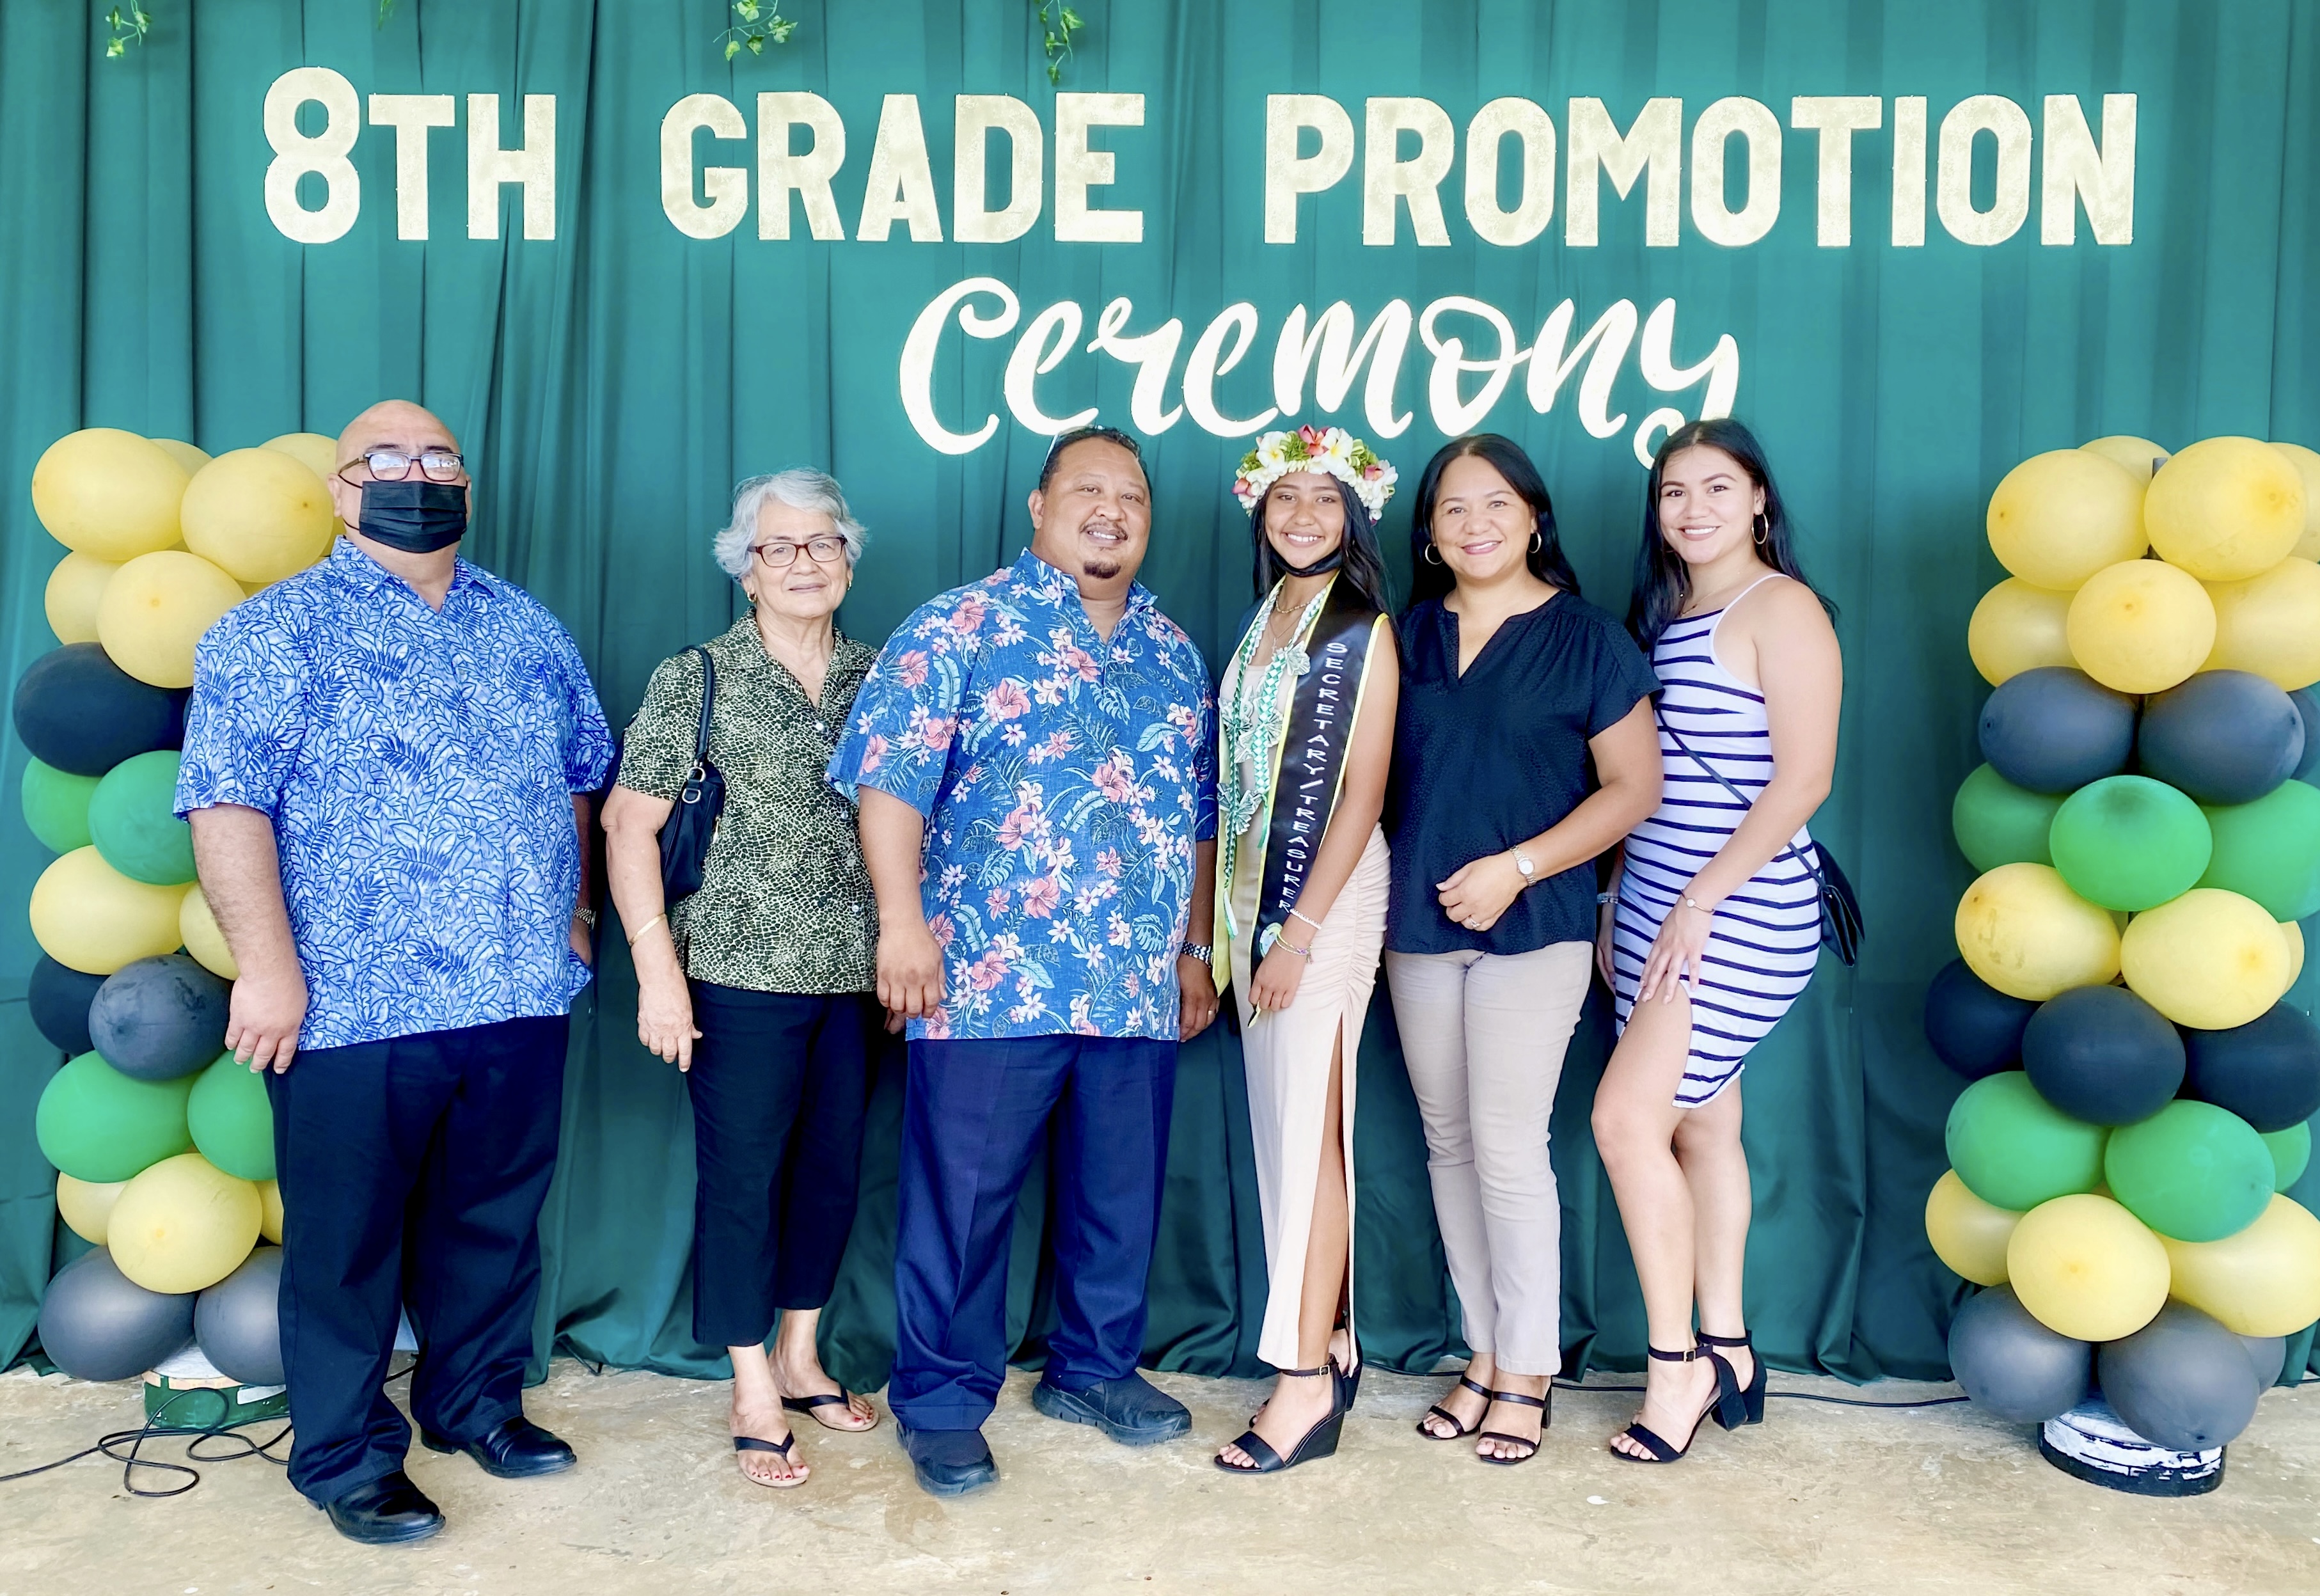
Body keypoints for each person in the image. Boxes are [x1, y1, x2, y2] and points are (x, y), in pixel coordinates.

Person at [175, 401, 613, 1544]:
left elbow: (581, 771)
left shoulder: (525, 625)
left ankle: (473, 1404)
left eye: (440, 458)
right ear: (338, 488)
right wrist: (267, 973)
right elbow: (227, 807)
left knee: (492, 1221)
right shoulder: (271, 631)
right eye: (389, 459)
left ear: (467, 483)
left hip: (515, 989)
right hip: (348, 1000)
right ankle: (342, 1453)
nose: (419, 474)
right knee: (350, 1239)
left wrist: (570, 911)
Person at [828, 424, 1222, 1498]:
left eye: (1131, 494)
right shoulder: (957, 625)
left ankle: (1094, 1369)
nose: (1111, 508)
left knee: (1118, 1198)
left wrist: (1193, 947)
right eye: (1086, 488)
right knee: (963, 1204)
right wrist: (900, 926)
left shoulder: (1175, 652)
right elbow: (890, 784)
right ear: (1038, 508)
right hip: (988, 973)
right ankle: (945, 1397)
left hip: (1135, 980)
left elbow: (1200, 820)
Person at [1382, 434, 1663, 1465]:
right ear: (1429, 532)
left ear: (1534, 517)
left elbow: (1636, 791)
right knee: (1449, 1145)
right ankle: (1485, 1353)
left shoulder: (1587, 640)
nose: (1476, 525)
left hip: (1534, 929)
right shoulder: (1404, 637)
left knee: (1506, 1145)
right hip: (1414, 927)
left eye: (1496, 504)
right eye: (1453, 509)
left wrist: (1523, 865)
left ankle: (1532, 1367)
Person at [600, 470, 880, 1491]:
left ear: (848, 556)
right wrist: (656, 974)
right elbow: (628, 823)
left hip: (854, 978)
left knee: (831, 1172)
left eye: (822, 544)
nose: (803, 563)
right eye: (780, 548)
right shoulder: (699, 678)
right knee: (744, 1181)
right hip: (734, 974)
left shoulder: (880, 675)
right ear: (745, 569)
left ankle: (803, 1353)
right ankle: (750, 1379)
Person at [1593, 417, 1842, 1464]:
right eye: (1673, 493)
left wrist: (1701, 900)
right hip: (1652, 894)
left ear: (1760, 502)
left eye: (1716, 488)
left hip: (1739, 907)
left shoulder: (1779, 609)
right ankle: (1732, 1341)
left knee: (1623, 1120)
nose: (1692, 509)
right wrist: (1621, 902)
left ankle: (1676, 1368)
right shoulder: (1668, 617)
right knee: (1704, 1128)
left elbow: (1804, 779)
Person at [1208, 427, 1400, 1476]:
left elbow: (1362, 793)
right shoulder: (1268, 618)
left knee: (1309, 1134)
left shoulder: (1361, 629)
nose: (1302, 518)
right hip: (1261, 908)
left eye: (1323, 502)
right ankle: (1329, 1338)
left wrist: (1302, 932)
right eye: (1284, 501)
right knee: (1291, 1136)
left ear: (1354, 515)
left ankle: (1301, 1388)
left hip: (1320, 908)